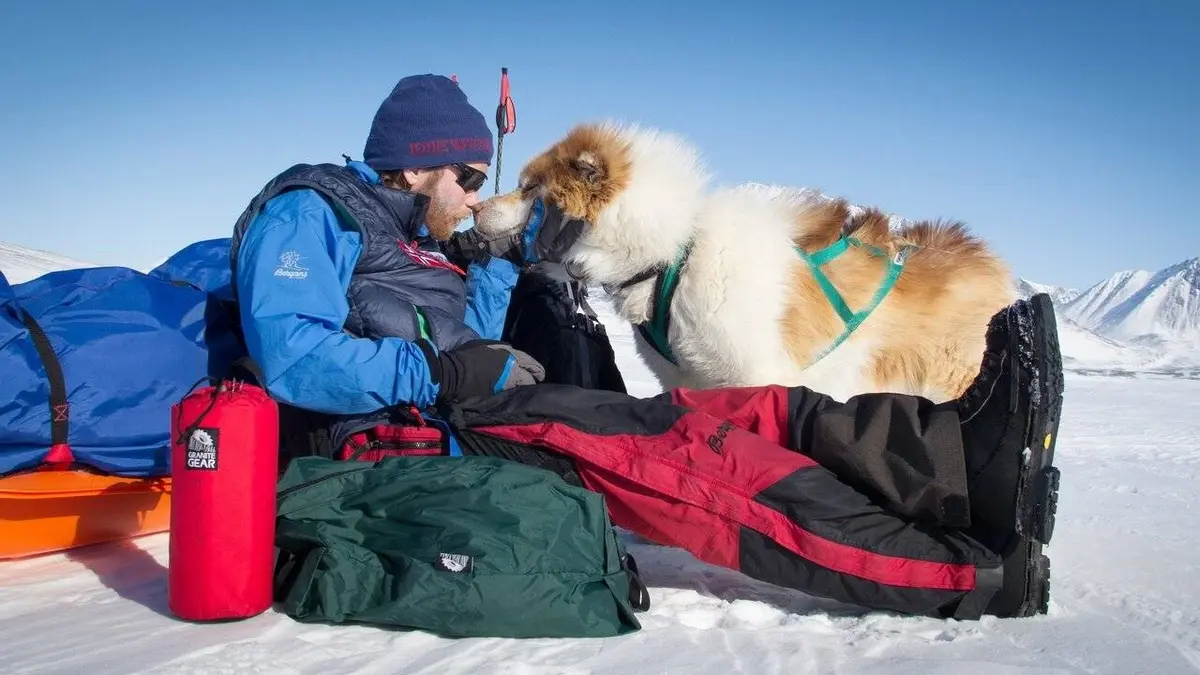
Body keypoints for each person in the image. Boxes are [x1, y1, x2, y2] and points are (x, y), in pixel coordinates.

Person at [229, 73, 1063, 620]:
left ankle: (956, 459)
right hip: (407, 438)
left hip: (471, 406)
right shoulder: (311, 212)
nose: (478, 196)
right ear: (415, 166)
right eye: (470, 179)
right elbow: (293, 357)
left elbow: (465, 338)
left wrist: (486, 273)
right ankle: (971, 577)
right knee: (693, 464)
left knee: (746, 409)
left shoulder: (419, 239)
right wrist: (439, 368)